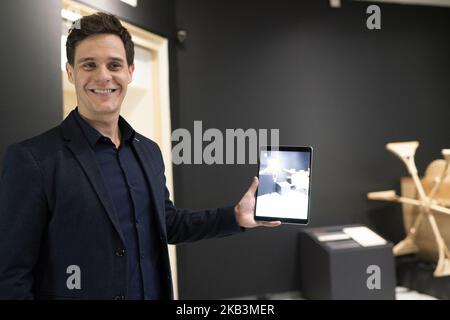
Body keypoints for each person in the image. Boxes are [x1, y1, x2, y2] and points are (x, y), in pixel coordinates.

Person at [0, 12, 280, 300]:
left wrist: (235, 216)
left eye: (114, 65)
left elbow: (167, 224)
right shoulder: (33, 160)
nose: (103, 76)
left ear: (130, 71)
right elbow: (11, 277)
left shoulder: (148, 152)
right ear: (70, 72)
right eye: (89, 65)